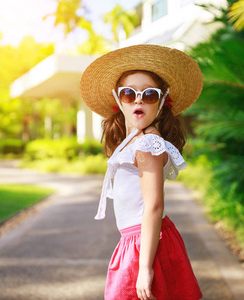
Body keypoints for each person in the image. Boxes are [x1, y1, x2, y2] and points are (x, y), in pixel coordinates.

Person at [79, 44, 203, 300]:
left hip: (144, 243)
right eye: (128, 93)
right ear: (117, 100)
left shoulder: (147, 143)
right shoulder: (136, 140)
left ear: (161, 102)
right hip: (138, 240)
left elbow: (154, 205)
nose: (138, 99)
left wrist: (145, 268)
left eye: (148, 94)